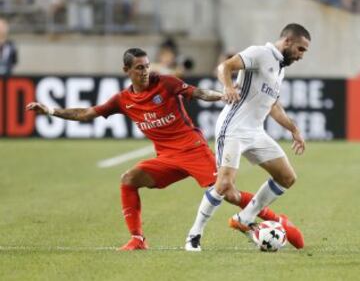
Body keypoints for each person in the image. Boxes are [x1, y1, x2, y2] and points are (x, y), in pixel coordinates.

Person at [27, 47, 296, 251]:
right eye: (138, 68)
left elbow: (198, 92)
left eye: (146, 66)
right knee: (128, 179)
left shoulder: (165, 83)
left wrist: (222, 94)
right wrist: (50, 110)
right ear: (126, 71)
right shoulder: (123, 99)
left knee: (228, 193)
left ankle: (274, 219)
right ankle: (137, 239)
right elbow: (87, 113)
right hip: (167, 158)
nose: (144, 71)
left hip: (193, 149)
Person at [185, 23, 311, 251]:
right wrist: (227, 87)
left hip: (255, 132)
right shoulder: (260, 53)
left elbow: (273, 106)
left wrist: (293, 129)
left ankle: (245, 218)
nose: (302, 55)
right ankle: (194, 235)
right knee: (223, 185)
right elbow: (225, 66)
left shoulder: (280, 67)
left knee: (287, 177)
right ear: (288, 41)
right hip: (233, 128)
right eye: (301, 49)